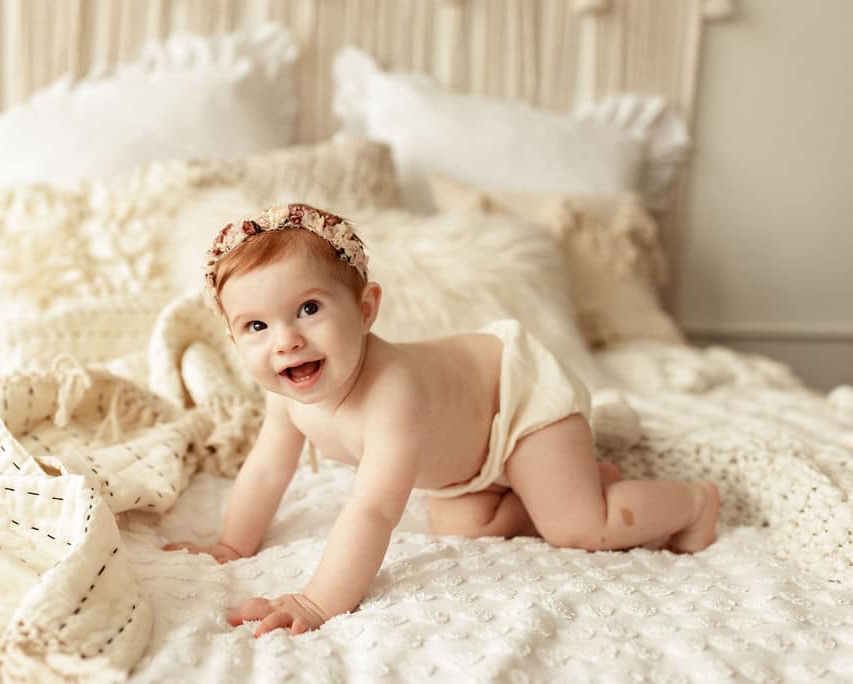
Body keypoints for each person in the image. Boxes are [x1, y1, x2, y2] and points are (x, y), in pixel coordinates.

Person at [163, 202, 720, 638]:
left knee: (579, 529)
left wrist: (317, 600)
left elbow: (375, 508)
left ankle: (692, 502)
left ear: (365, 309)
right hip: (466, 461)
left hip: (515, 398)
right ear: (233, 338)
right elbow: (265, 470)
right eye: (256, 326)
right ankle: (570, 480)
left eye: (309, 309)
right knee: (463, 528)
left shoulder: (391, 392)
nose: (286, 340)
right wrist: (233, 545)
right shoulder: (287, 393)